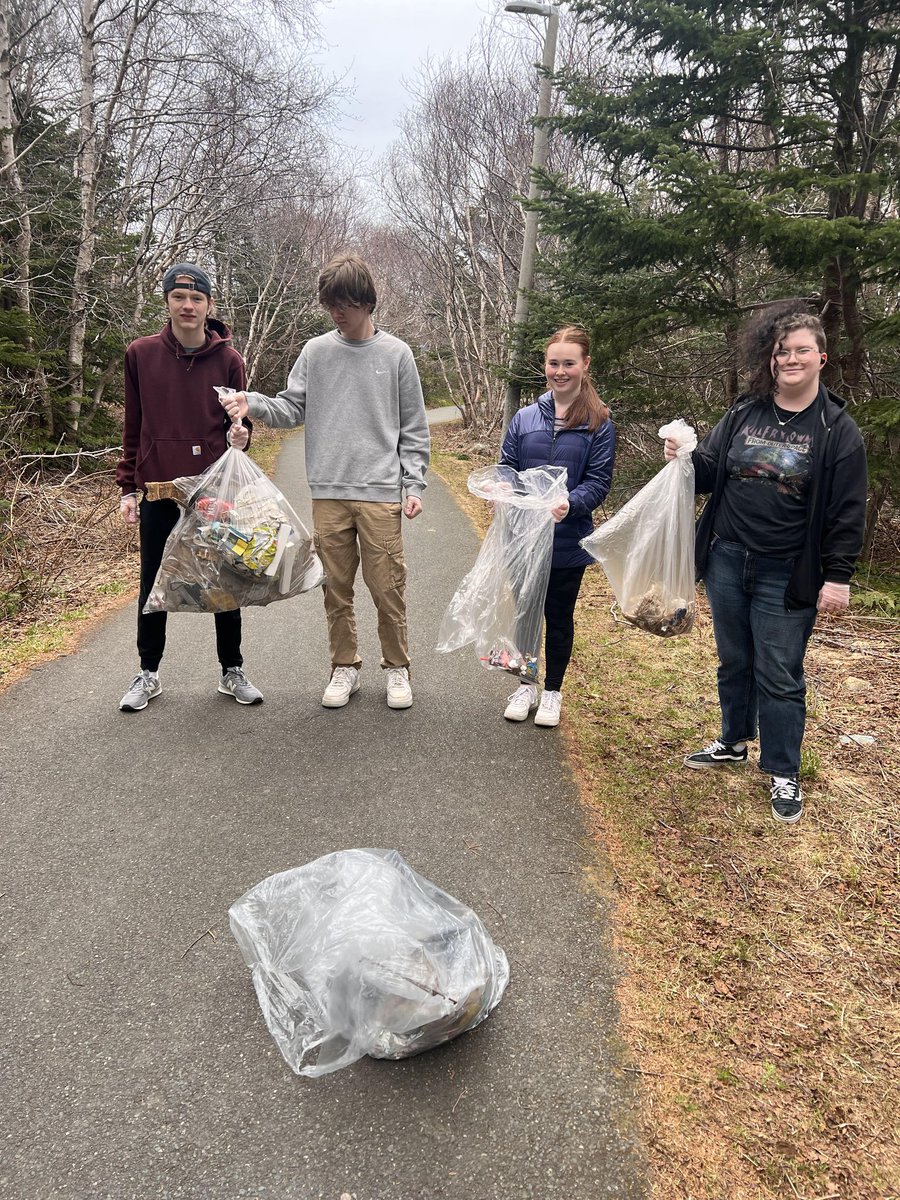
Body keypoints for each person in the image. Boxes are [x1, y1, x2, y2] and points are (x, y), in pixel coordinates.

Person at [665, 302, 867, 823]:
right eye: (783, 351)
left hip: (787, 571)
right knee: (734, 660)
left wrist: (838, 578)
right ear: (771, 359)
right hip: (728, 558)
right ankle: (733, 741)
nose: (792, 359)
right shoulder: (744, 411)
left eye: (802, 350)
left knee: (779, 673)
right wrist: (685, 456)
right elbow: (711, 474)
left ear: (821, 357)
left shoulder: (836, 429)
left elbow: (847, 512)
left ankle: (782, 769)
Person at [218, 252, 430, 710]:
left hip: (379, 493)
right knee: (335, 586)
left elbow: (414, 427)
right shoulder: (316, 351)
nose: (337, 313)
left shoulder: (396, 354)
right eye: (331, 304)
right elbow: (292, 407)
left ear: (367, 302)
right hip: (328, 491)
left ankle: (397, 669)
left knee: (387, 586)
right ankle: (344, 666)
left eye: (345, 304)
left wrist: (414, 486)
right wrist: (250, 402)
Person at [116, 263, 264, 711]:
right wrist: (127, 487)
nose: (188, 306)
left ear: (208, 305)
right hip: (159, 489)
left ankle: (231, 670)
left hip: (211, 490)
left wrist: (242, 437)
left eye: (197, 299)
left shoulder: (228, 360)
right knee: (154, 583)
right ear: (167, 302)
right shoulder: (140, 355)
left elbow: (239, 426)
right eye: (180, 298)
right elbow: (133, 425)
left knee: (224, 580)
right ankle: (148, 673)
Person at [499, 326, 616, 728]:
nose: (560, 371)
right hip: (524, 538)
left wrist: (572, 503)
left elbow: (599, 481)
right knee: (526, 615)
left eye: (569, 363)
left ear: (585, 365)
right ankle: (526, 683)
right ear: (545, 366)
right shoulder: (525, 418)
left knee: (559, 615)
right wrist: (502, 485)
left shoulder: (599, 422)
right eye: (554, 363)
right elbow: (509, 468)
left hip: (567, 540)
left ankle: (552, 691)